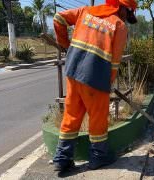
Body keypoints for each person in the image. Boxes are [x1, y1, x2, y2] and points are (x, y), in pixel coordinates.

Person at [52, 0, 138, 172]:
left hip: (73, 70)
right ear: (122, 8)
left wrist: (65, 44)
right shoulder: (119, 26)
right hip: (95, 77)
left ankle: (62, 158)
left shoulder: (86, 11)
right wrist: (109, 82)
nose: (127, 18)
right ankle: (99, 157)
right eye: (129, 13)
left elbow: (58, 18)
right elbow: (114, 62)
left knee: (71, 115)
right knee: (98, 117)